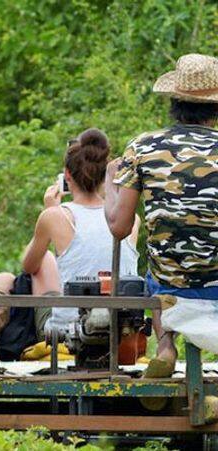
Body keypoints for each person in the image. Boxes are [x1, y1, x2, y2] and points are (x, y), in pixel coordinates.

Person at [106, 54, 218, 378]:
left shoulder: (143, 147)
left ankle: (166, 344)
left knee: (158, 265)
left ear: (173, 100)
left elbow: (119, 226)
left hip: (171, 282)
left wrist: (109, 183)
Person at [0, 129, 140, 343]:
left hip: (69, 332)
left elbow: (28, 267)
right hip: (123, 331)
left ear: (67, 175)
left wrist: (50, 210)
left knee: (44, 262)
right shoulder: (131, 220)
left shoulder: (56, 216)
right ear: (105, 174)